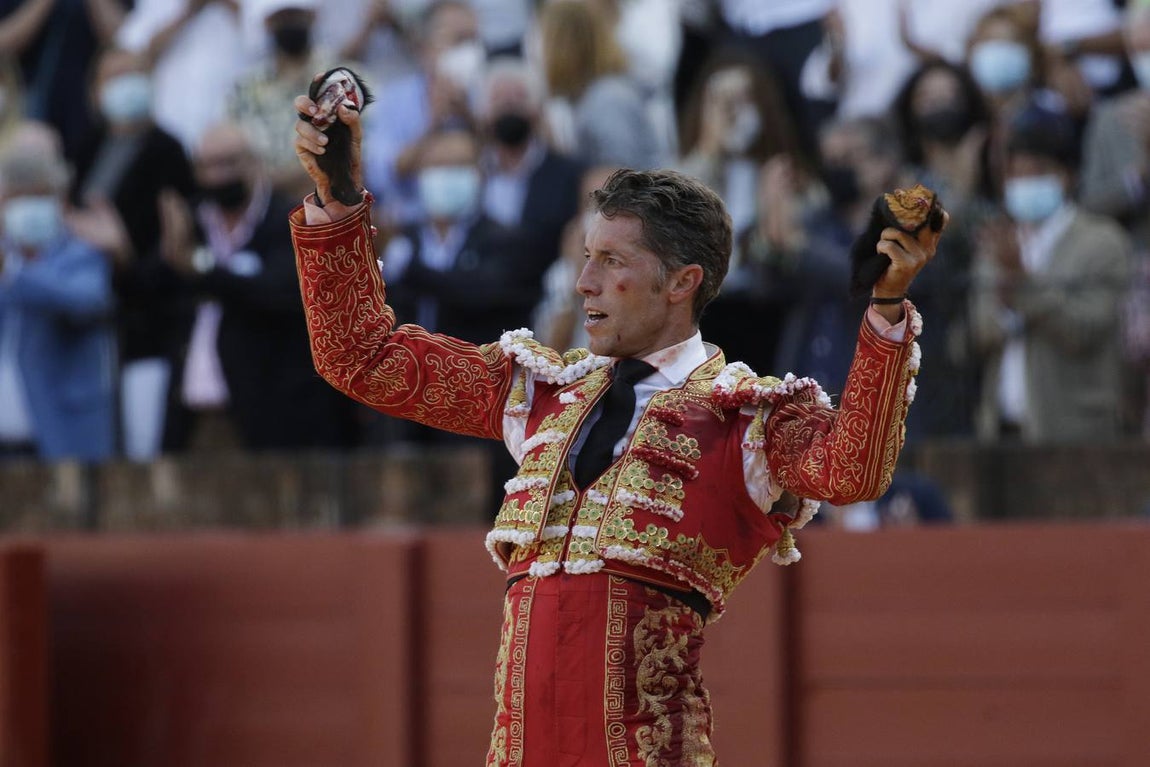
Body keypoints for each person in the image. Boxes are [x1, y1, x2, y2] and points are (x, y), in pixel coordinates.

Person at [291, 84, 943, 763]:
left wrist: (887, 310)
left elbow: (852, 469)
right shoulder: (542, 394)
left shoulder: (744, 418)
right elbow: (360, 357)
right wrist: (337, 201)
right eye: (585, 257)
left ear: (681, 281)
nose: (583, 284)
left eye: (611, 262)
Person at [161, 122, 357, 452]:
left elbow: (279, 292)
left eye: (229, 163)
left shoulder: (293, 221)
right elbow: (161, 282)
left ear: (255, 163)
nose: (218, 175)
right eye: (208, 166)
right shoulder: (190, 223)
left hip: (274, 411)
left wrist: (200, 270)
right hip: (195, 411)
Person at [970, 100, 1131, 443]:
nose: (1025, 182)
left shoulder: (1101, 242)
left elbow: (1083, 330)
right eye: (1017, 173)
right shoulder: (999, 239)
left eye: (1039, 171)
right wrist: (1006, 300)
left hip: (1076, 434)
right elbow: (981, 331)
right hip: (1002, 431)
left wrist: (1020, 283)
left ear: (1067, 176)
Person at [72, 47, 197, 461]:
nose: (125, 85)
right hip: (84, 322)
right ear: (95, 92)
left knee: (143, 444)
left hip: (148, 325)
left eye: (134, 74)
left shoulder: (169, 151)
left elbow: (175, 252)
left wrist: (123, 256)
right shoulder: (82, 152)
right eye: (114, 77)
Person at [0, 122, 117, 461]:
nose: (28, 207)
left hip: (65, 431)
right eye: (18, 197)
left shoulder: (81, 251)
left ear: (61, 199)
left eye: (39, 196)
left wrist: (14, 271)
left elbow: (88, 300)